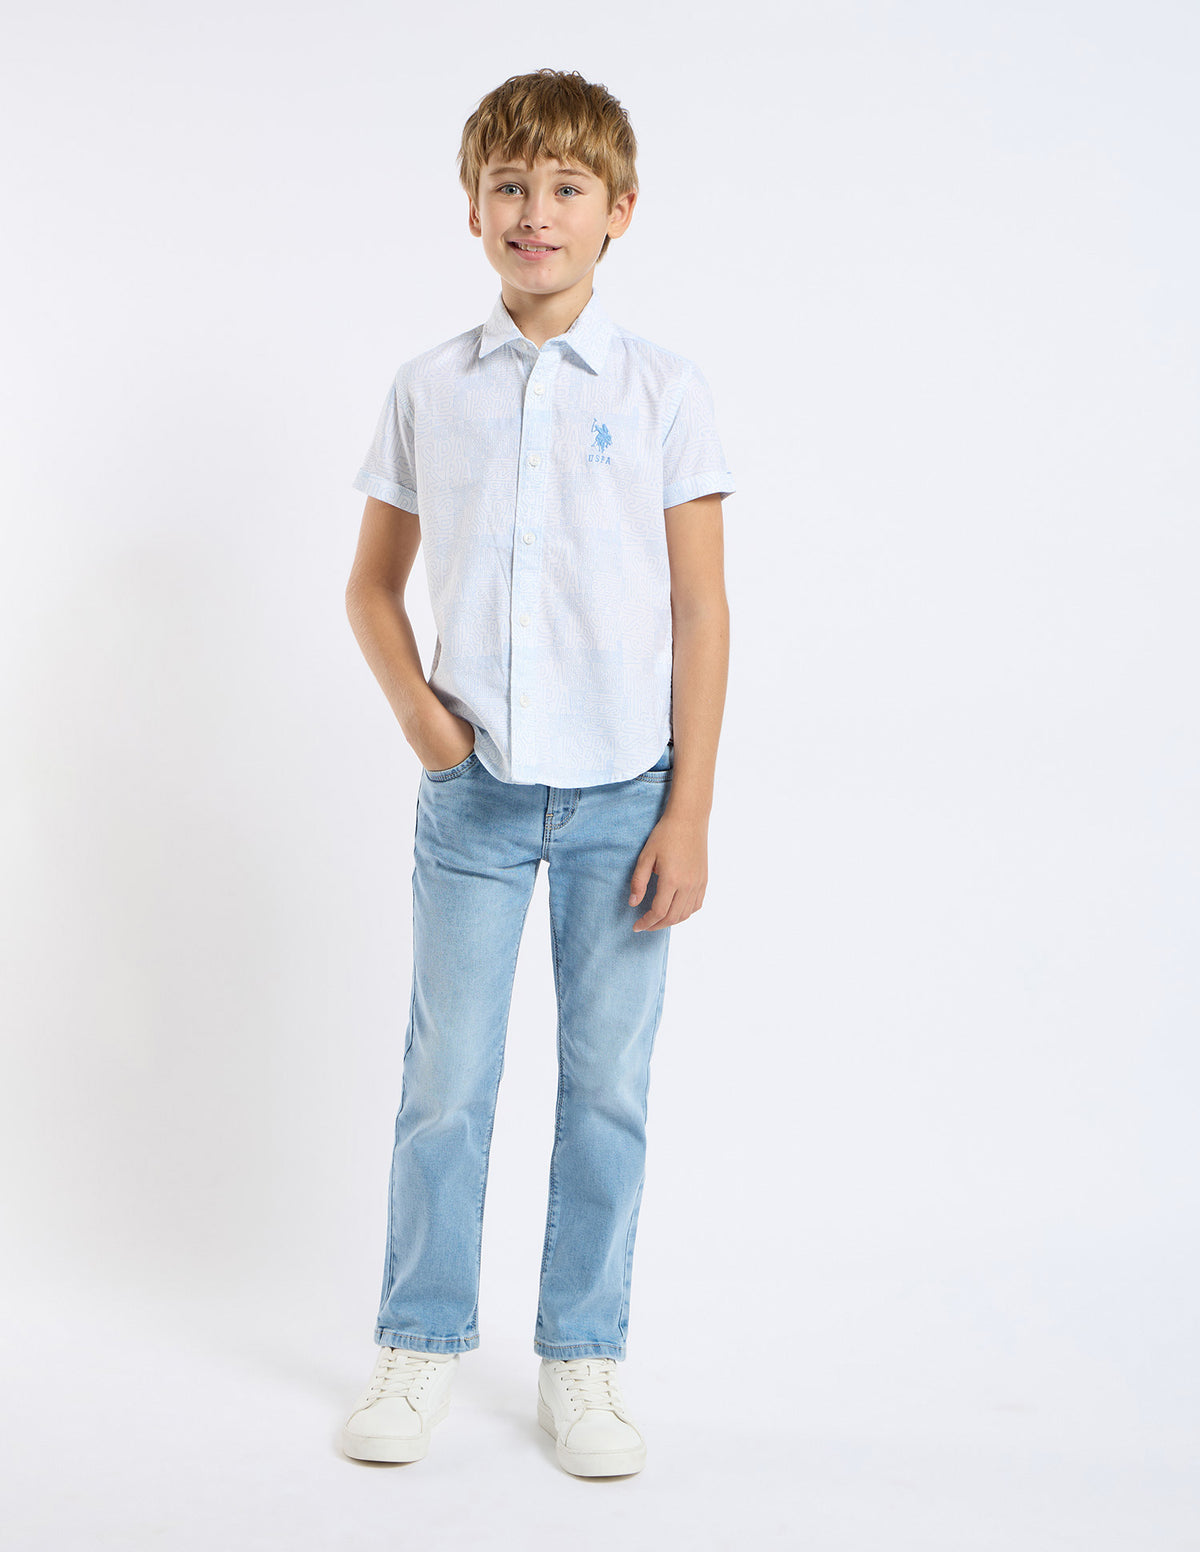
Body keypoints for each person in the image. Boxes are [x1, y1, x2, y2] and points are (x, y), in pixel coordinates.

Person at [339, 68, 734, 1478]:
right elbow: (372, 586)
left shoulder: (663, 388)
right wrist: (429, 730)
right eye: (510, 186)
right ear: (473, 209)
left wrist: (690, 808)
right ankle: (418, 1342)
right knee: (446, 1079)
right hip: (478, 801)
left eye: (567, 187)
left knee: (607, 1087)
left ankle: (584, 1357)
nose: (535, 211)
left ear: (618, 210)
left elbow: (702, 608)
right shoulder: (428, 388)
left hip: (628, 795)